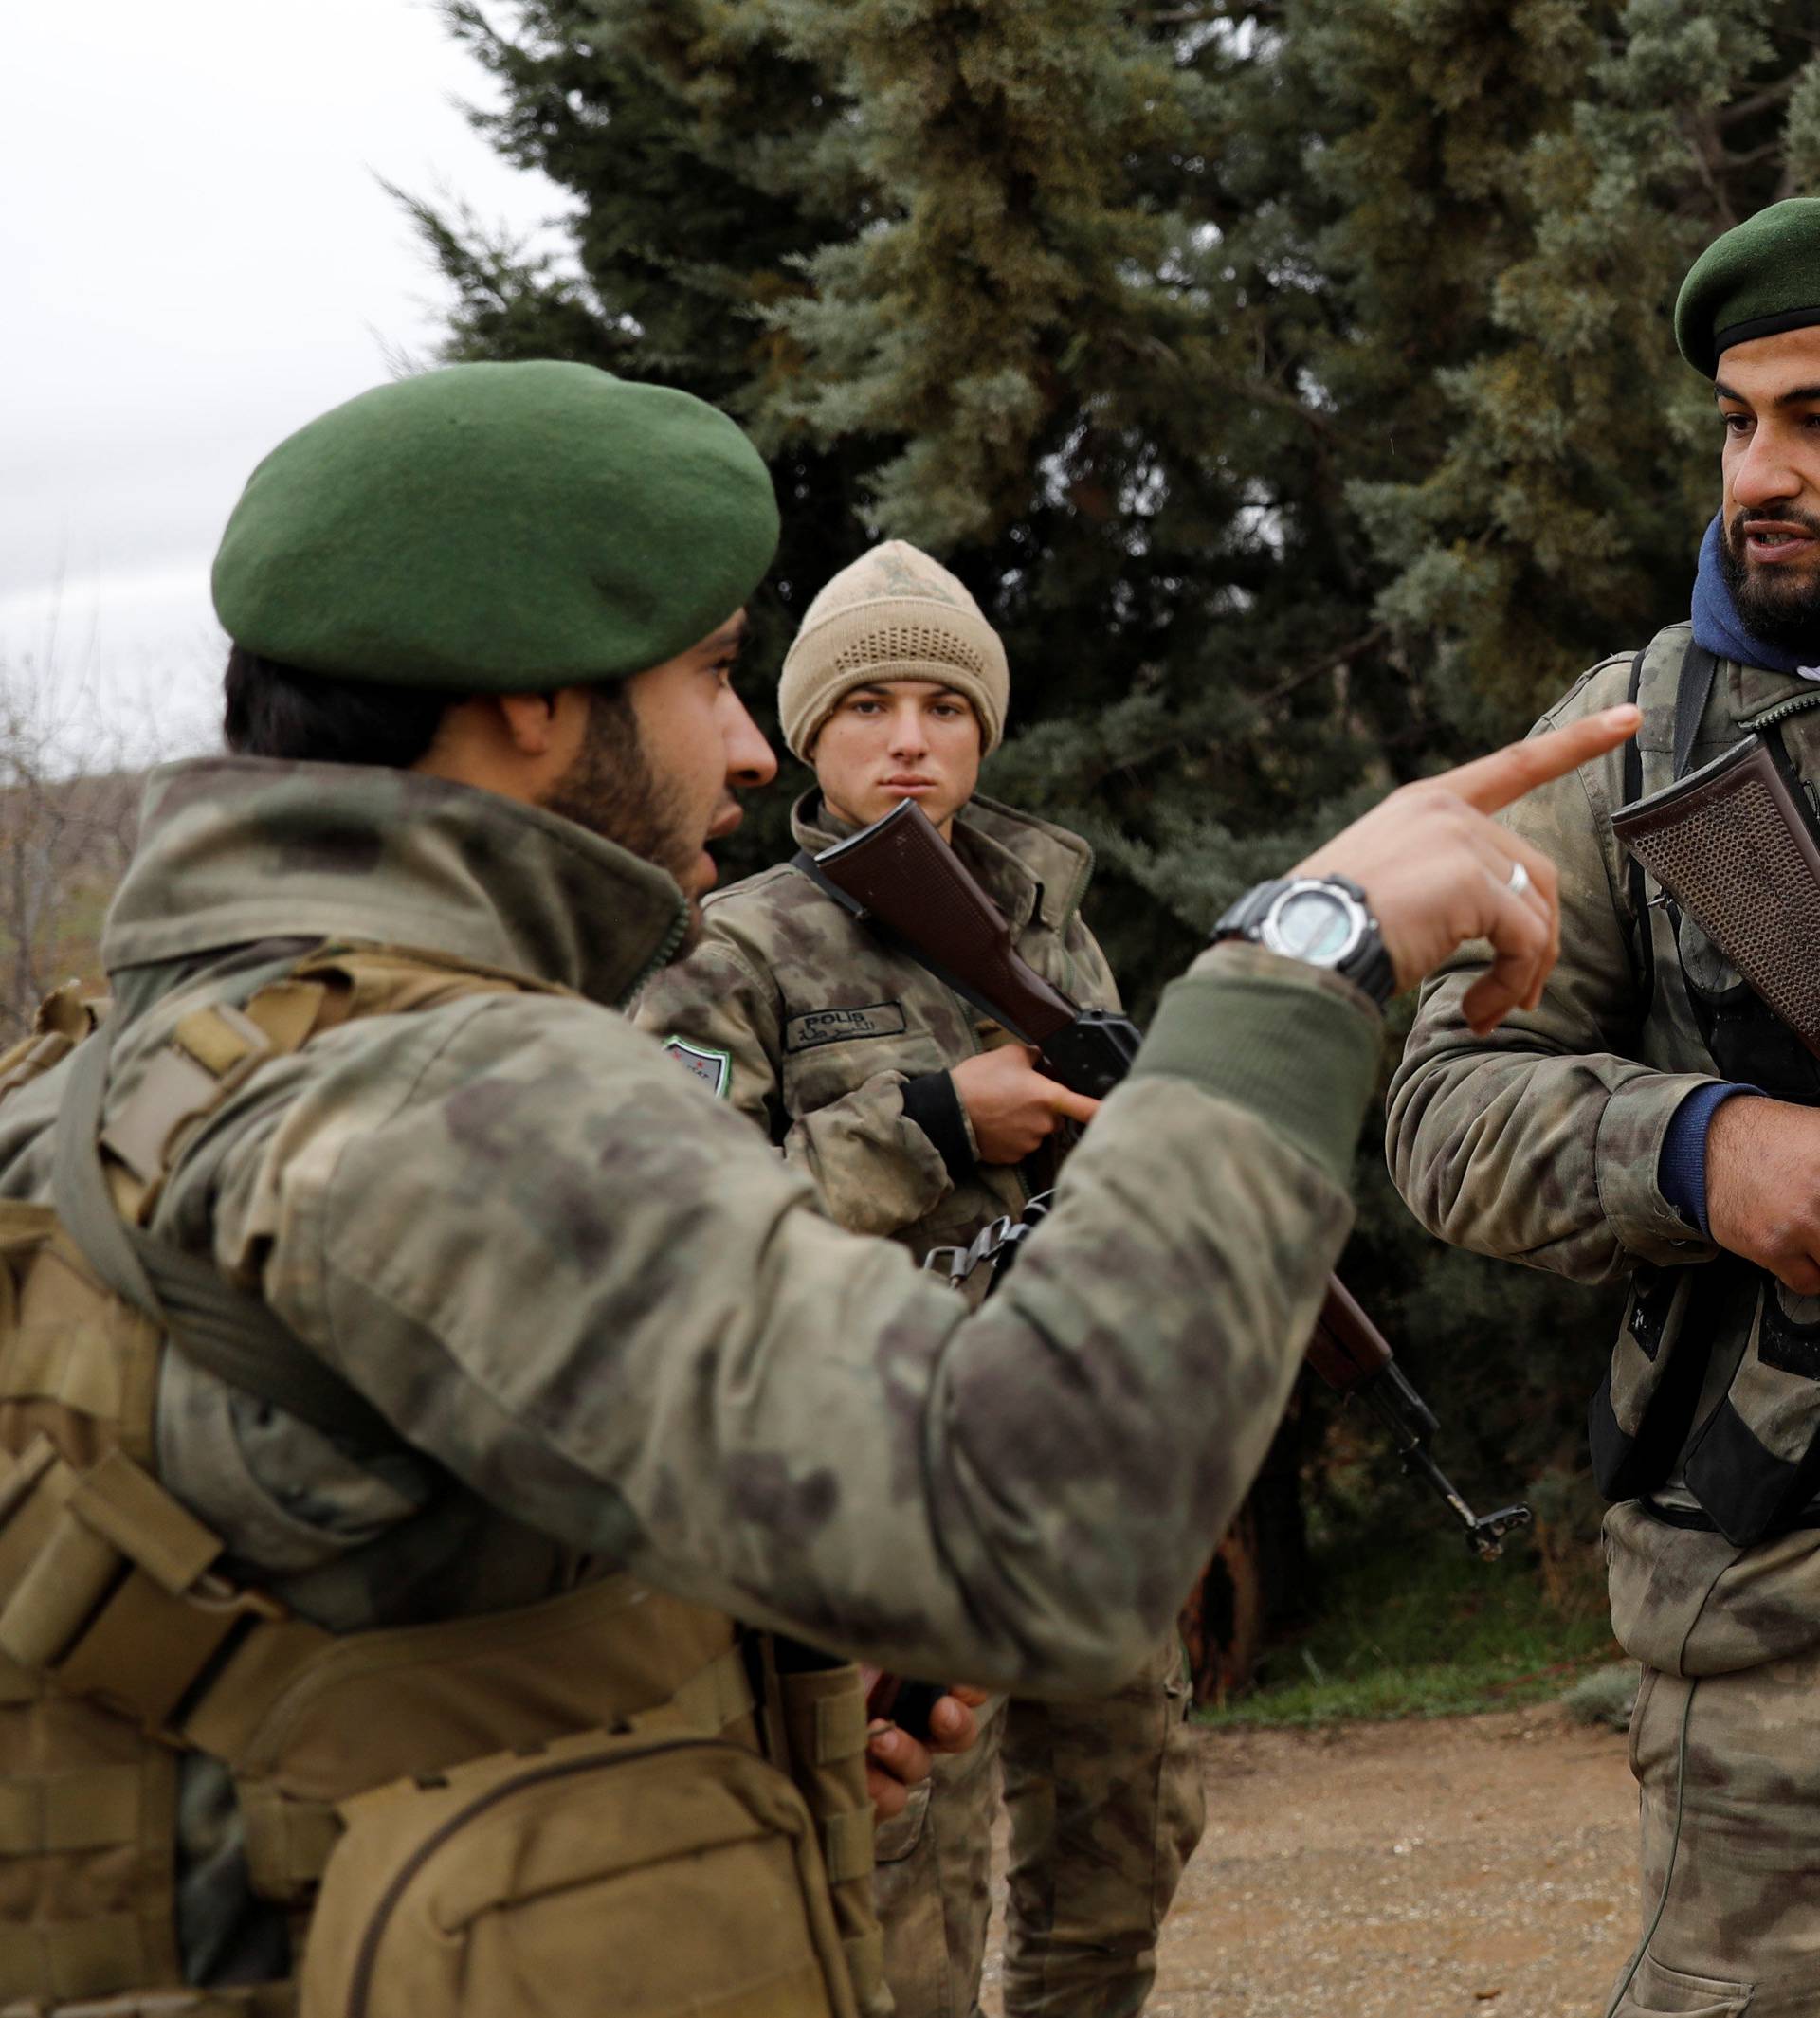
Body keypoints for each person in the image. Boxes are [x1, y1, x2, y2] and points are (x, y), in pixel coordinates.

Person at [0, 358, 1629, 2014]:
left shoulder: (105, 1066)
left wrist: (720, 1690)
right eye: (712, 674)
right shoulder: (461, 1089)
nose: (752, 746)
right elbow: (1044, 1520)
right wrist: (1313, 951)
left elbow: (338, 1590)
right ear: (532, 702)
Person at [633, 540, 1204, 2018]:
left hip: (1072, 1465)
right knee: (903, 1914)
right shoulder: (724, 950)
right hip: (873, 1495)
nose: (909, 739)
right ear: (808, 732)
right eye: (869, 703)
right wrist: (938, 1121)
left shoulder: (1050, 924)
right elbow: (684, 1237)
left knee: (1122, 1851)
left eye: (944, 708)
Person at [1387, 199, 1820, 2018]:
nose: (1764, 472)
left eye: (1815, 419)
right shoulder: (1644, 732)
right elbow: (1439, 1106)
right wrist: (1700, 1145)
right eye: (1741, 422)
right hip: (1776, 1615)